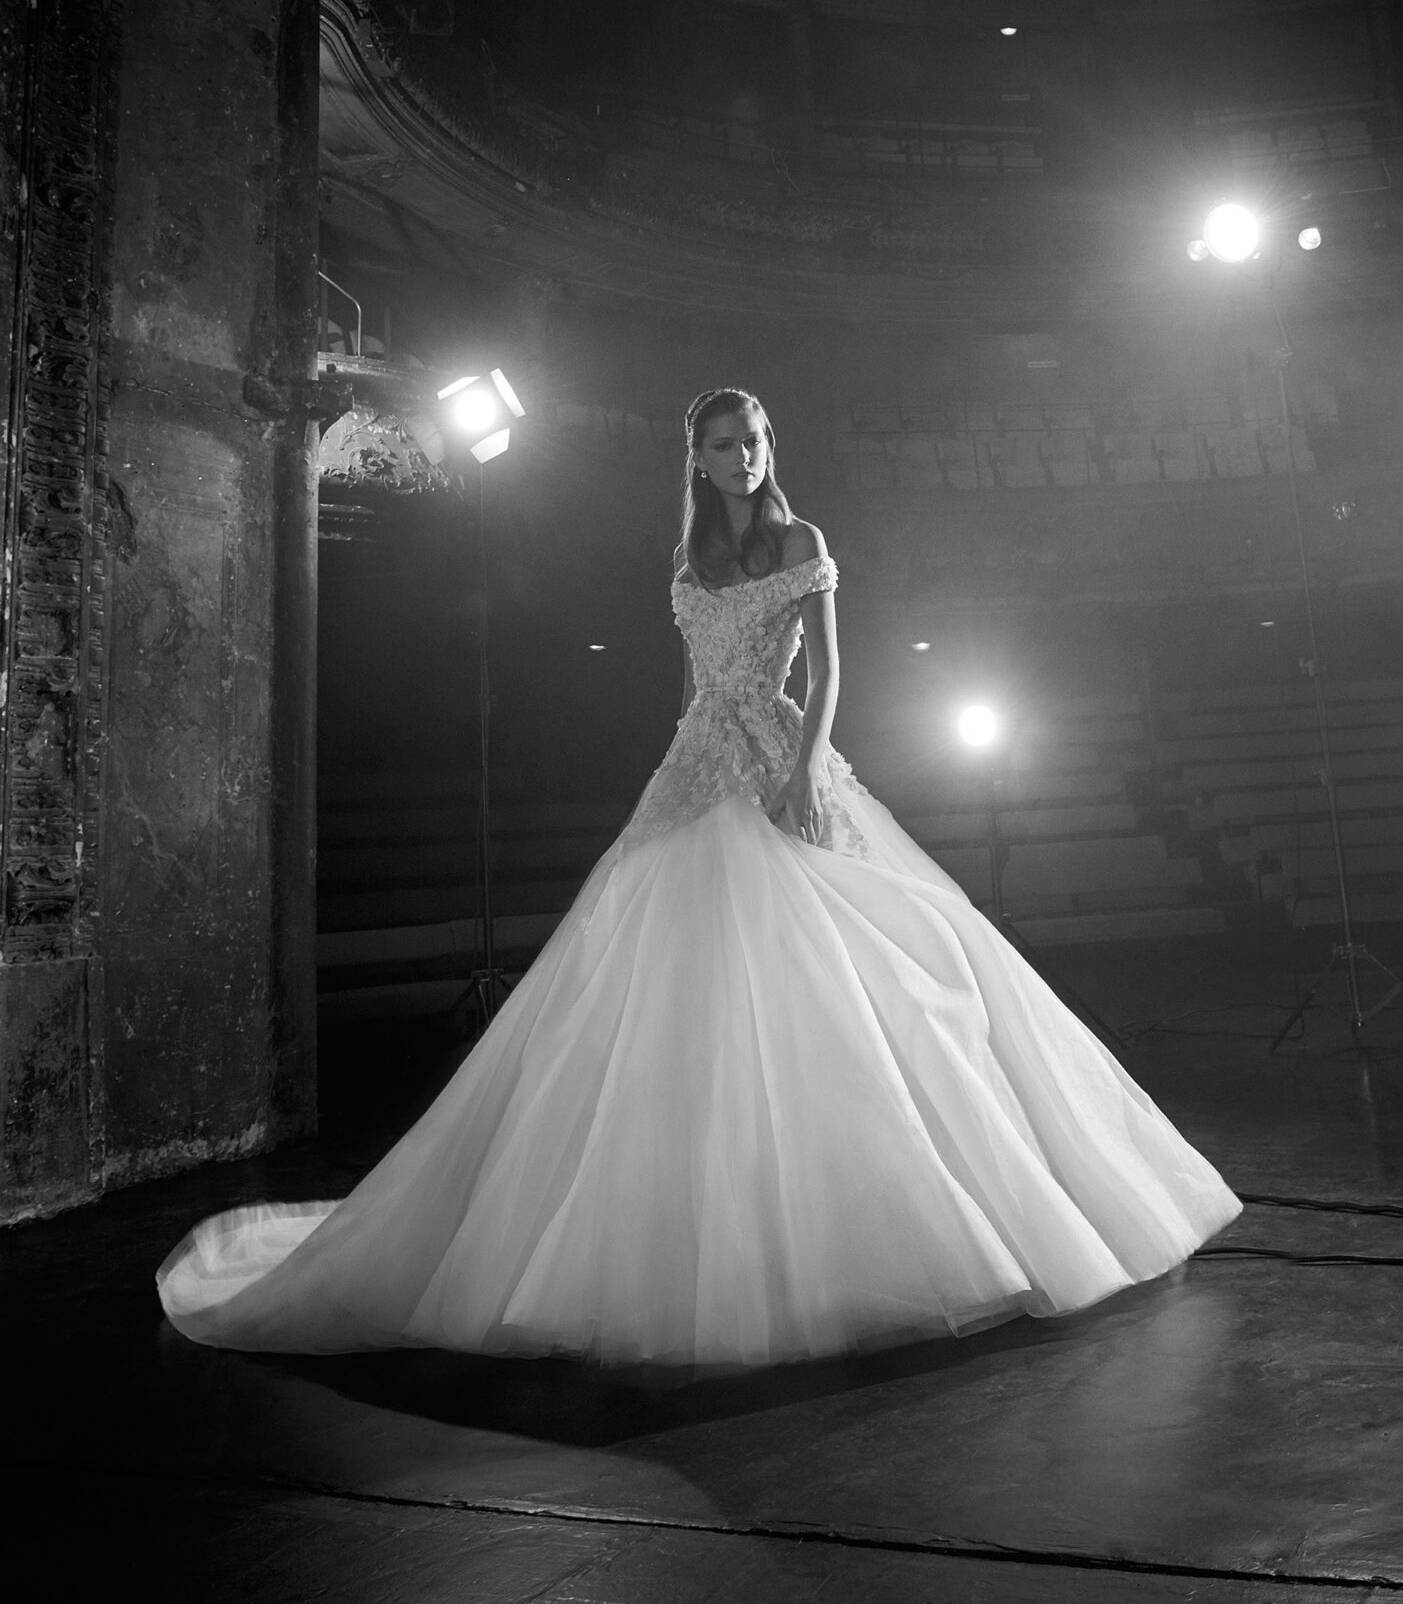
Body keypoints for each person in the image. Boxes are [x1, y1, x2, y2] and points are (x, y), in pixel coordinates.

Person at [158, 388, 1240, 1369]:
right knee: (667, 989)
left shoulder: (800, 537)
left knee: (874, 972)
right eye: (725, 444)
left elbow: (825, 672)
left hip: (779, 753)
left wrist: (806, 769)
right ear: (697, 458)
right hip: (695, 765)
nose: (745, 456)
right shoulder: (684, 561)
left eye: (758, 438)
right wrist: (678, 772)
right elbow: (687, 683)